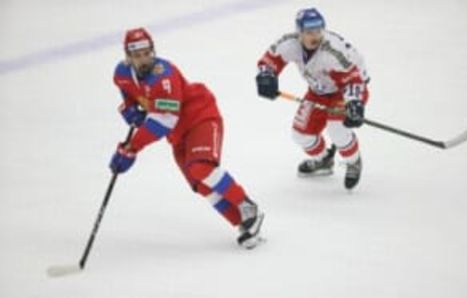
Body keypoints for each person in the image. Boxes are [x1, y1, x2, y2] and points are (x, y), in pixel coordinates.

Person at [110, 28, 264, 248]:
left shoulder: (164, 76)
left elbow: (163, 122)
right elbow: (128, 93)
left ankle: (247, 206)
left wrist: (131, 147)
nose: (144, 59)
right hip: (178, 134)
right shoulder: (122, 73)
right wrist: (130, 109)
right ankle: (243, 223)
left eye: (147, 53)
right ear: (128, 56)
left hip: (200, 117)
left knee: (200, 167)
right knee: (198, 184)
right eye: (137, 55)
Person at [256, 8, 370, 190]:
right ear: (299, 33)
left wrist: (354, 103)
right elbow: (270, 59)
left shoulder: (331, 52)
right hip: (319, 92)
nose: (315, 36)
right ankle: (324, 160)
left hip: (347, 90)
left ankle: (353, 161)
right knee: (301, 135)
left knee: (337, 129)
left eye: (318, 31)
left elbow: (353, 80)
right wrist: (266, 76)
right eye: (309, 32)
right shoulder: (290, 43)